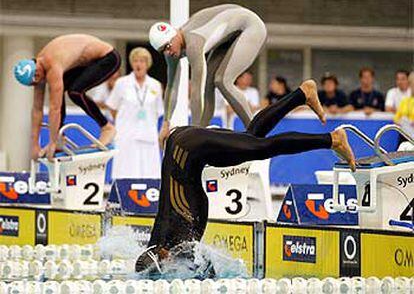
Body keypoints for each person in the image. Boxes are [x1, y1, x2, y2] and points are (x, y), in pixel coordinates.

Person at [135, 80, 355, 273]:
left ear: (163, 257)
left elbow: (200, 259)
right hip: (181, 143)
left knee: (261, 147)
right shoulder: (159, 241)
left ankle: (332, 139)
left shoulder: (176, 238)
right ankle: (302, 94)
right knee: (251, 138)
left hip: (189, 149)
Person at [148, 5, 283, 146]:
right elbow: (172, 87)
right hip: (231, 33)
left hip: (252, 27)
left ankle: (257, 136)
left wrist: (192, 137)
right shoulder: (171, 52)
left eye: (168, 46)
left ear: (175, 34)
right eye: (162, 50)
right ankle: (202, 137)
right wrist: (165, 123)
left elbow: (196, 93)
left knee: (222, 81)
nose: (168, 53)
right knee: (209, 84)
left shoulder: (193, 43)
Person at [14, 34, 121, 161]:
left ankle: (107, 127)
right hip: (86, 62)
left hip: (108, 57)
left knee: (75, 92)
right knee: (64, 90)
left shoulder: (52, 66)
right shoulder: (38, 70)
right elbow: (37, 109)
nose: (37, 85)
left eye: (35, 82)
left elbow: (55, 108)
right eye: (33, 85)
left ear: (36, 73)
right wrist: (34, 145)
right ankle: (61, 137)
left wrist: (53, 142)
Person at [106, 47, 163, 179]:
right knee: (126, 169)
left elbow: (158, 112)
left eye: (142, 61)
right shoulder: (121, 83)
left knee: (149, 170)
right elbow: (112, 107)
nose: (138, 64)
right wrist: (122, 125)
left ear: (147, 64)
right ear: (131, 63)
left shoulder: (155, 85)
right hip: (126, 134)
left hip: (148, 134)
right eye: (136, 61)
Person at [394, 72, 414, 138]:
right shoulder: (405, 101)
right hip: (406, 134)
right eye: (411, 83)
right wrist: (401, 122)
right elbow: (397, 117)